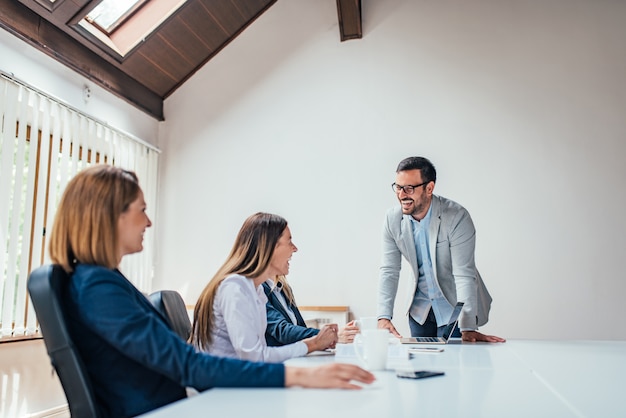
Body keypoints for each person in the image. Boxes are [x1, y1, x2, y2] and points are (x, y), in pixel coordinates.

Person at [47, 165, 374, 418]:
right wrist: (297, 377)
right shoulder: (98, 287)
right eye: (141, 210)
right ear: (109, 217)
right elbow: (188, 364)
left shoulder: (100, 280)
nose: (148, 222)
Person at [377, 157, 505, 343]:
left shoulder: (456, 217)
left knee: (455, 367)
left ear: (429, 188)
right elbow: (389, 270)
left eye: (409, 188)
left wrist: (468, 327)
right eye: (398, 187)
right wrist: (383, 317)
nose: (402, 194)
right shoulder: (392, 220)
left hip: (454, 312)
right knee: (422, 368)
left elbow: (464, 273)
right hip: (419, 312)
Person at [191, 212, 339, 362]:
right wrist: (313, 343)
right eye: (289, 241)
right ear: (268, 247)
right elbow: (254, 357)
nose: (295, 249)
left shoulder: (256, 290)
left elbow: (260, 354)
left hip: (239, 377)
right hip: (224, 382)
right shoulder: (235, 288)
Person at [263, 275, 359, 346]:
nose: (294, 249)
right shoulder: (258, 289)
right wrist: (330, 337)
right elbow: (282, 331)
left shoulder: (284, 289)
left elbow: (300, 328)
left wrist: (328, 342)